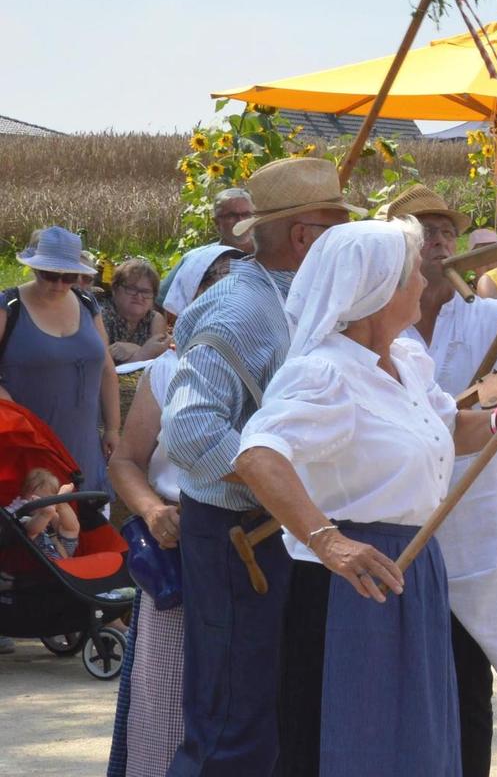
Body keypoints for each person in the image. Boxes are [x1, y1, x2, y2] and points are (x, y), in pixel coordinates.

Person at [232, 219, 497, 776]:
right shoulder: (322, 373)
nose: (422, 284)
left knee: (412, 742)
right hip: (348, 584)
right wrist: (329, 543)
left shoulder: (405, 363)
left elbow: (448, 431)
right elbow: (257, 456)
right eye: (410, 275)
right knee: (354, 741)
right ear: (376, 291)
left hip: (413, 571)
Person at [160, 157, 360, 776]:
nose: (344, 245)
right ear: (302, 237)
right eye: (334, 230)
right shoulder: (245, 309)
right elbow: (191, 431)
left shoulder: (289, 298)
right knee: (232, 725)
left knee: (272, 718)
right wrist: (278, 483)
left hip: (272, 537)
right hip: (238, 542)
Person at [388, 185, 497, 777]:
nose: (438, 242)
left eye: (445, 231)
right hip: (400, 509)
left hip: (473, 506)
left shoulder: (492, 314)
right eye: (423, 231)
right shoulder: (381, 322)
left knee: (467, 665)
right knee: (400, 665)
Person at [106, 244, 241, 777]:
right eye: (213, 283)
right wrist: (151, 510)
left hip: (249, 551)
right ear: (178, 307)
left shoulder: (275, 363)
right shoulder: (164, 374)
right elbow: (126, 462)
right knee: (165, 701)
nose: (227, 294)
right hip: (176, 553)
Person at [1, 226, 120, 503]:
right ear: (33, 268)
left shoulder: (88, 302)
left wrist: (113, 428)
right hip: (30, 448)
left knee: (89, 528)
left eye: (68, 277)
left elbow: (106, 367)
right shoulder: (9, 306)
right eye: (50, 275)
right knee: (40, 529)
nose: (58, 284)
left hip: (85, 446)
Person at [157, 188, 256, 303]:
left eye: (247, 215)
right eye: (231, 216)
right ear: (216, 223)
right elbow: (160, 302)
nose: (241, 220)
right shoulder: (196, 259)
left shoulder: (271, 257)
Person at [101, 258, 169, 364]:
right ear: (115, 289)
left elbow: (158, 365)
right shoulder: (101, 316)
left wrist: (137, 350)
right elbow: (101, 369)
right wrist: (143, 353)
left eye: (146, 292)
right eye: (132, 289)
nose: (139, 296)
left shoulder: (154, 319)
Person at [6, 468, 79, 559]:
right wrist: (45, 514)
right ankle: (46, 513)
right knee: (28, 531)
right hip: (39, 557)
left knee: (71, 529)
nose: (43, 503)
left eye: (49, 499)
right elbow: (29, 531)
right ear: (24, 496)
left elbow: (68, 528)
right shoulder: (20, 513)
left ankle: (62, 502)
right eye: (39, 499)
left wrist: (56, 505)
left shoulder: (53, 514)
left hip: (61, 553)